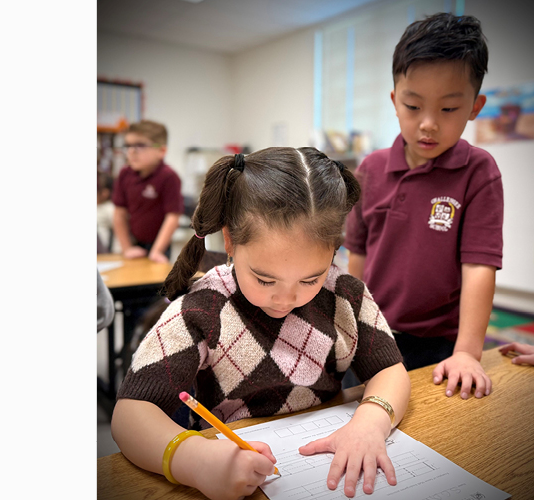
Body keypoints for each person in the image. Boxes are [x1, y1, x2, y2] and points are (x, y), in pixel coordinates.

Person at [112, 148, 411, 499]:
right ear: (230, 241)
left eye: (310, 279)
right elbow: (130, 413)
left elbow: (390, 370)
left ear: (333, 250)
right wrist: (193, 459)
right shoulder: (203, 308)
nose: (286, 299)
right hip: (231, 471)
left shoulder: (345, 294)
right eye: (265, 281)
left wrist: (372, 422)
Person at [344, 13, 503, 401]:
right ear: (395, 100)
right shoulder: (371, 169)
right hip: (373, 334)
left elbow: (479, 267)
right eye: (414, 107)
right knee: (361, 415)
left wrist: (467, 352)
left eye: (448, 110)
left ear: (474, 107)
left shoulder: (479, 171)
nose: (428, 124)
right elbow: (357, 256)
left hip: (440, 344)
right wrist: (353, 325)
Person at [112, 120, 183, 263]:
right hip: (132, 243)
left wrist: (156, 251)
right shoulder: (125, 174)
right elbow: (119, 213)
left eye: (140, 145)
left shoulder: (169, 177)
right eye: (128, 146)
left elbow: (173, 217)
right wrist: (127, 248)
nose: (131, 151)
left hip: (159, 245)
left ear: (161, 151)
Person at [97, 170, 118, 253]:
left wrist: (117, 253)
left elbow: (118, 233)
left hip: (106, 254)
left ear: (105, 193)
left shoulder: (110, 209)